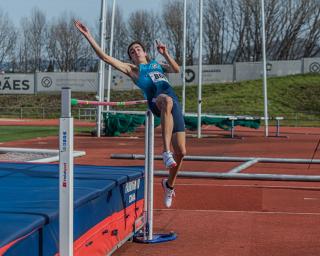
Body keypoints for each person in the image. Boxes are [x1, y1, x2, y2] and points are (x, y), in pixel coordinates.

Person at [75, 20, 186, 208]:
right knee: (165, 102)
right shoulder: (133, 70)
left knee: (182, 152)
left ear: (144, 52)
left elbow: (177, 69)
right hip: (156, 101)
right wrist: (88, 36)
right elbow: (106, 58)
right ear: (132, 58)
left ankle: (169, 185)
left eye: (138, 49)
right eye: (132, 52)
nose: (135, 52)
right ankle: (166, 151)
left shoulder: (156, 65)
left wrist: (165, 53)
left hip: (173, 102)